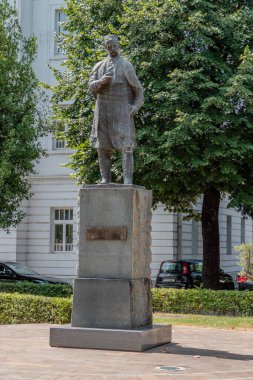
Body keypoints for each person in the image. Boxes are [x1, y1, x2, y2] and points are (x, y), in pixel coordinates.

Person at [88, 35, 144, 184]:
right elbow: (91, 87)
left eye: (114, 45)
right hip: (103, 109)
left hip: (121, 108)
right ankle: (105, 178)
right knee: (101, 146)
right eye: (109, 46)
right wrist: (101, 81)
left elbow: (138, 89)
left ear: (118, 46)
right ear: (106, 47)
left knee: (126, 146)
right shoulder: (98, 66)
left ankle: (127, 180)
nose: (112, 48)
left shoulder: (126, 65)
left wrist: (136, 106)